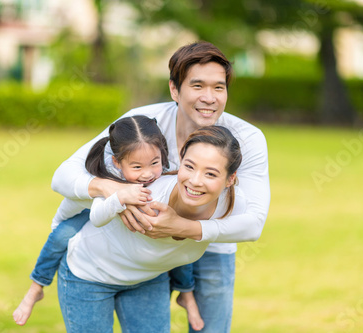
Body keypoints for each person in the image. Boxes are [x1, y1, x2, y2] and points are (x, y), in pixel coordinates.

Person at [52, 41, 270, 332]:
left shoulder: (246, 138)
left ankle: (188, 291)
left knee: (212, 328)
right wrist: (112, 190)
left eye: (219, 87)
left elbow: (253, 224)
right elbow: (63, 176)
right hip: (142, 249)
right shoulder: (142, 125)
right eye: (197, 86)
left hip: (213, 242)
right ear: (174, 90)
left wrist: (180, 227)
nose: (209, 98)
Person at [13, 115, 208, 326]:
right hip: (84, 212)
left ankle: (186, 294)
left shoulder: (166, 171)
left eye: (154, 163)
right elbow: (78, 206)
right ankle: (36, 287)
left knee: (179, 241)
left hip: (147, 269)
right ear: (118, 162)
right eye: (136, 168)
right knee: (62, 235)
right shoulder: (107, 172)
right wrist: (118, 198)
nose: (148, 174)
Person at [58, 125, 246, 332]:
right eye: (189, 167)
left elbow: (252, 230)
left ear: (230, 178)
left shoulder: (233, 206)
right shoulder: (149, 195)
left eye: (210, 174)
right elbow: (90, 208)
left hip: (149, 279)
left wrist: (182, 226)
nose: (195, 181)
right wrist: (116, 197)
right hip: (91, 273)